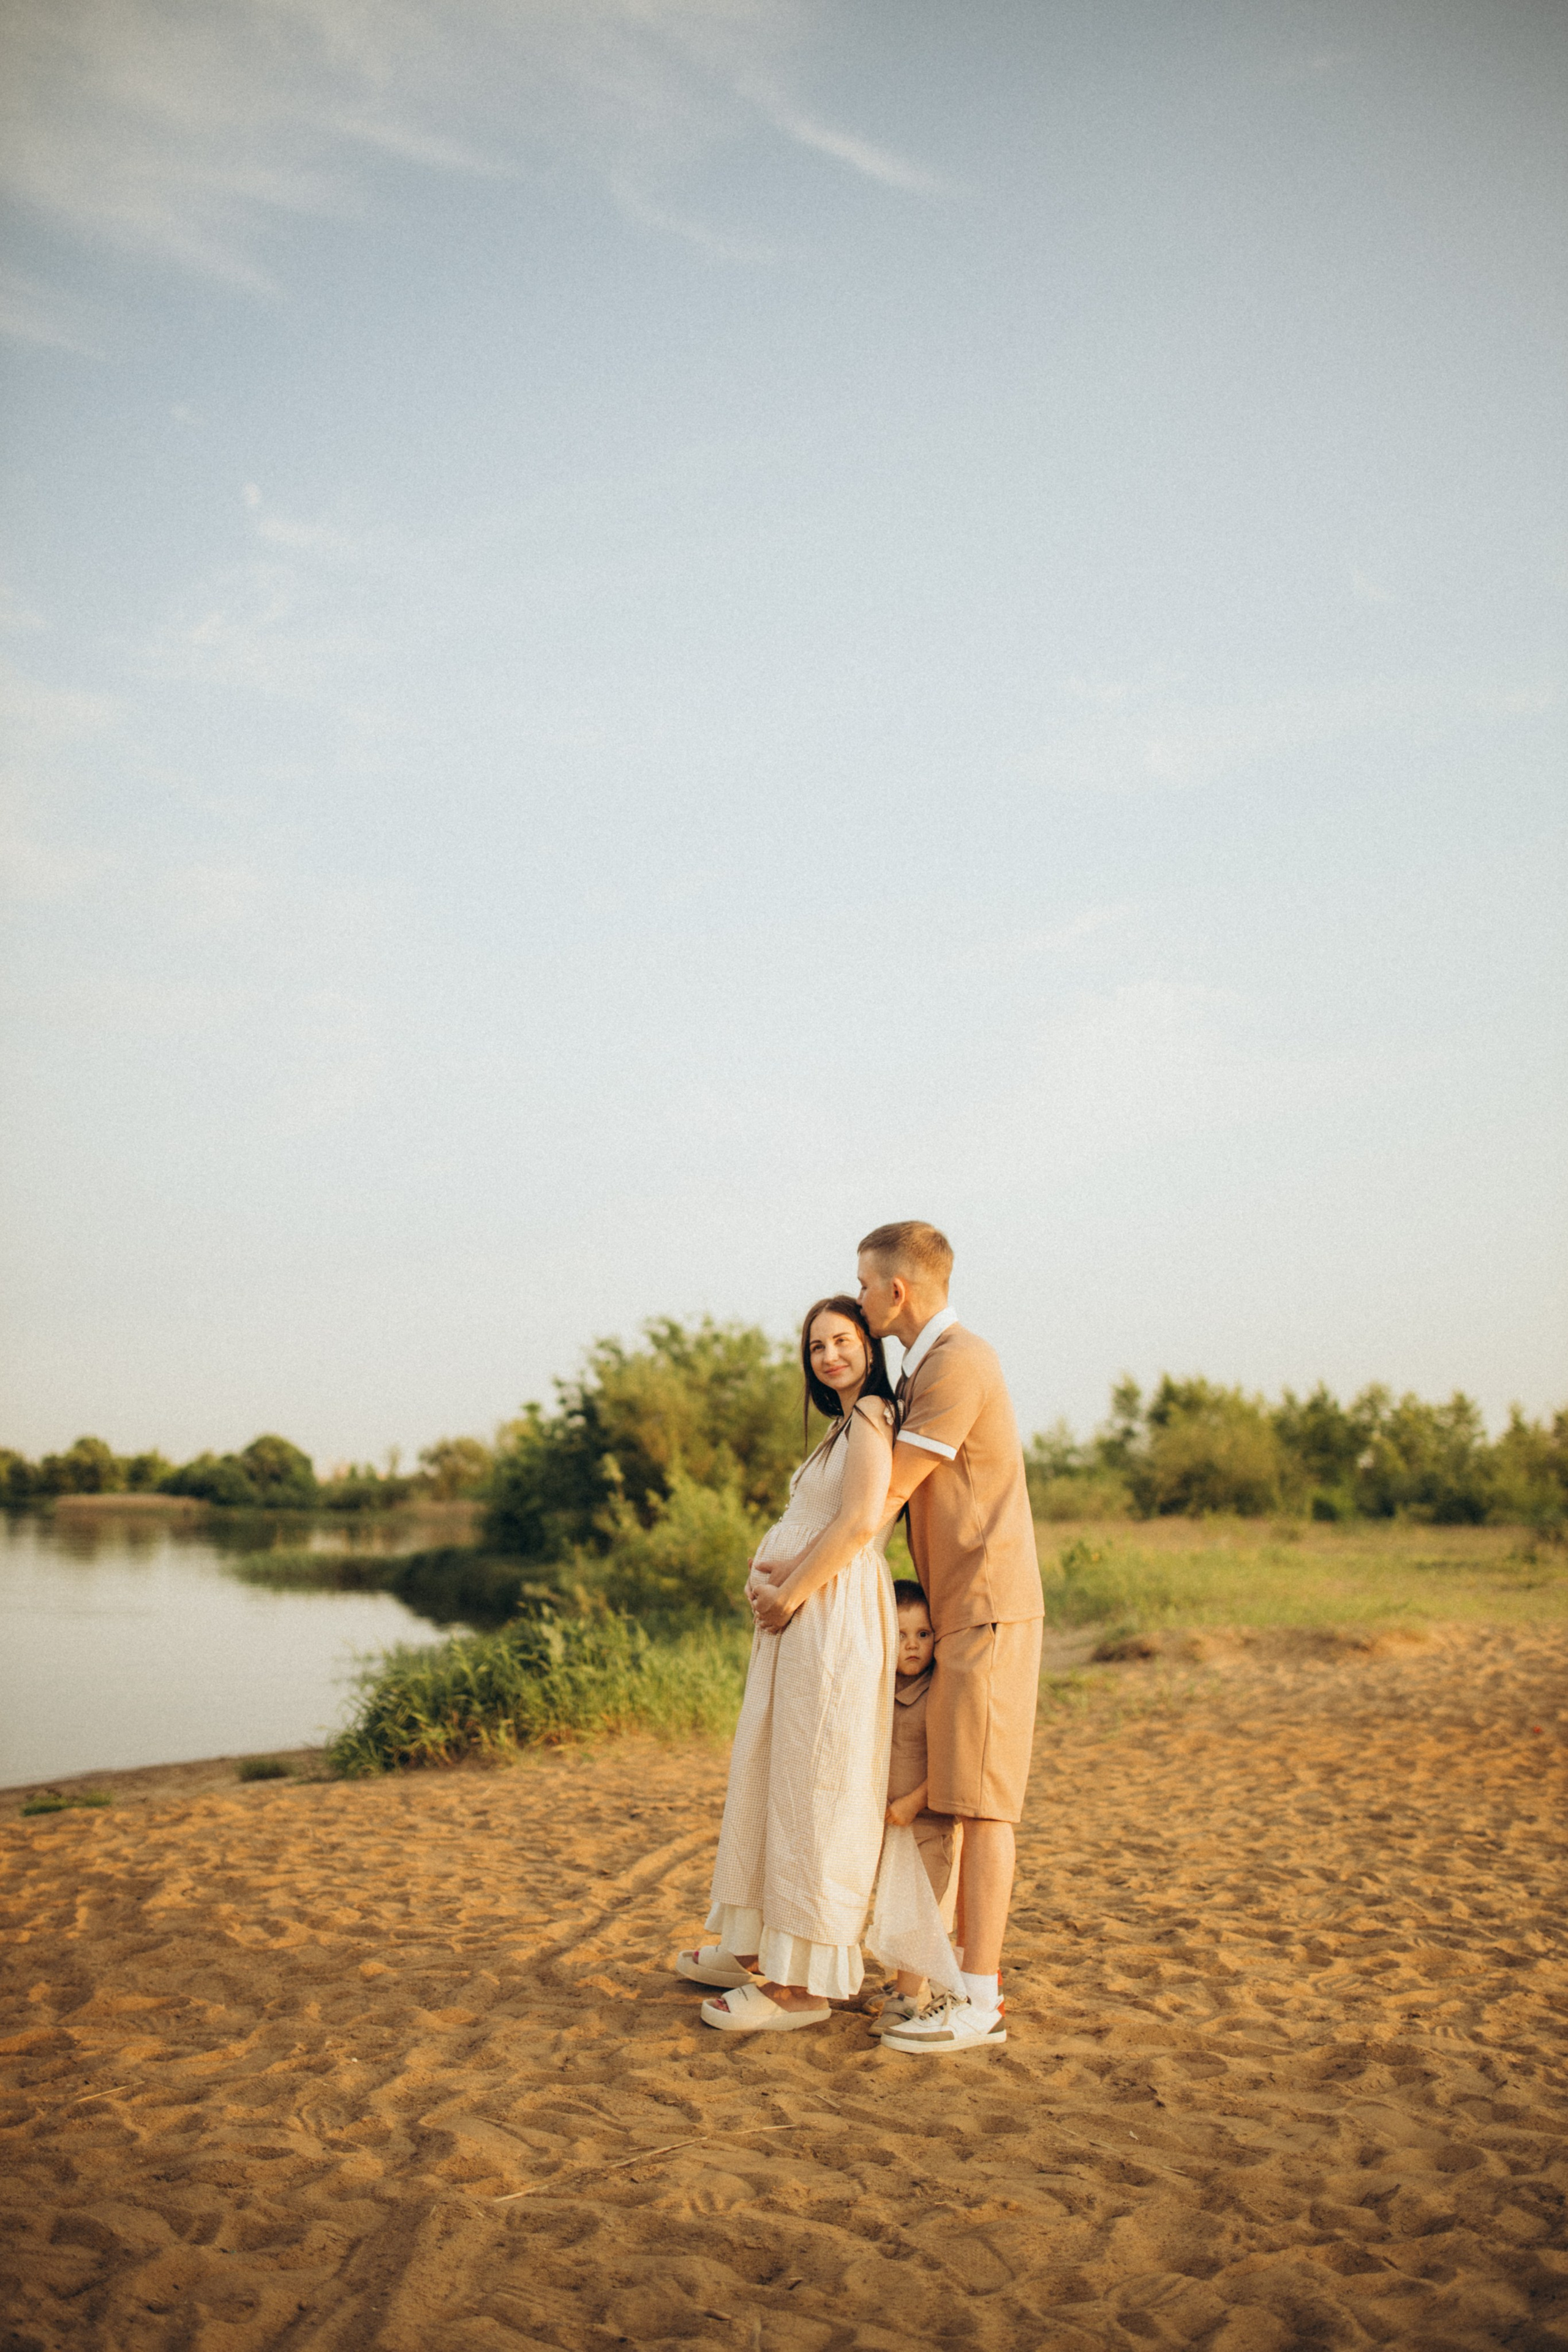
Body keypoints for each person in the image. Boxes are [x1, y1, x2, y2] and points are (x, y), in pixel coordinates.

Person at [671, 1295, 901, 2032]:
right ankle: (754, 1946)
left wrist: (788, 1592)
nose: (828, 1356)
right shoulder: (841, 1424)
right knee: (775, 1776)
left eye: (842, 1340)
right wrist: (771, 1578)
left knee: (817, 1788)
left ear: (870, 1345)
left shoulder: (873, 1415)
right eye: (815, 1347)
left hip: (828, 1618)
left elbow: (859, 1522)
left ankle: (802, 1989)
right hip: (801, 1619)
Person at [870, 1581, 961, 2038]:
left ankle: (908, 1998)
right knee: (893, 1906)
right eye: (900, 1634)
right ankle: (905, 1985)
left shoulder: (938, 1692)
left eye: (923, 1634)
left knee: (920, 1913)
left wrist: (913, 1801)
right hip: (890, 1825)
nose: (912, 1645)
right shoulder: (879, 1687)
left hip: (927, 1822)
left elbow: (951, 1760)